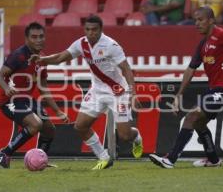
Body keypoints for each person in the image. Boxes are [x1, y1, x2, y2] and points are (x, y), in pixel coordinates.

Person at [149, 6, 223, 168]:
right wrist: (178, 95)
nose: (197, 23)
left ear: (211, 20)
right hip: (214, 90)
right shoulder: (203, 44)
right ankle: (214, 160)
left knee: (191, 116)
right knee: (199, 123)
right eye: (195, 20)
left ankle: (170, 159)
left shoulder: (222, 35)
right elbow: (190, 69)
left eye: (201, 20)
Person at [30, 15, 143, 170]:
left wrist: (133, 93)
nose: (91, 33)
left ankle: (136, 137)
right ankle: (104, 158)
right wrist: (44, 60)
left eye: (94, 30)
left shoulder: (111, 45)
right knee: (80, 126)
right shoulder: (81, 44)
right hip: (97, 91)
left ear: (101, 30)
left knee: (125, 135)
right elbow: (61, 57)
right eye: (88, 29)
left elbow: (126, 69)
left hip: (118, 92)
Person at [0, 22, 69, 168]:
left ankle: (39, 159)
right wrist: (6, 88)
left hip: (27, 100)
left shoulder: (42, 59)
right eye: (34, 37)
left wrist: (58, 111)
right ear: (26, 39)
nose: (38, 40)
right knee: (35, 124)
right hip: (11, 100)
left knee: (49, 130)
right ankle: (5, 153)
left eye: (41, 36)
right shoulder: (18, 56)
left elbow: (43, 88)